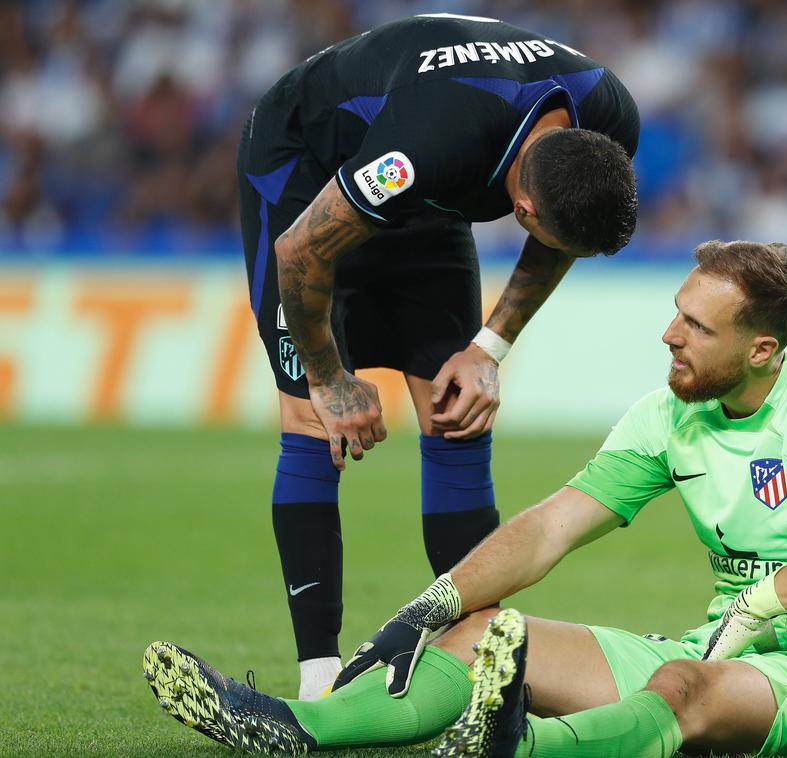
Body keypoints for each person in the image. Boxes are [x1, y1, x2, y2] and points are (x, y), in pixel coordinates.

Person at [144, 240, 787, 756]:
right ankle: (291, 724)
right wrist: (430, 605)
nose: (669, 334)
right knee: (476, 633)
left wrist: (755, 607)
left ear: (761, 350)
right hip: (711, 642)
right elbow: (551, 528)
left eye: (695, 326)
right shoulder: (670, 411)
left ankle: (515, 743)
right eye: (677, 310)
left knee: (682, 688)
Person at [236, 13, 639, 698]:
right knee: (311, 420)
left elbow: (560, 234)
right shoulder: (431, 142)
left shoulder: (608, 120)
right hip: (308, 167)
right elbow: (300, 250)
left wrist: (490, 346)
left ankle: (482, 666)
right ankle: (318, 679)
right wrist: (332, 378)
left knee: (458, 414)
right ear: (521, 209)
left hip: (428, 189)